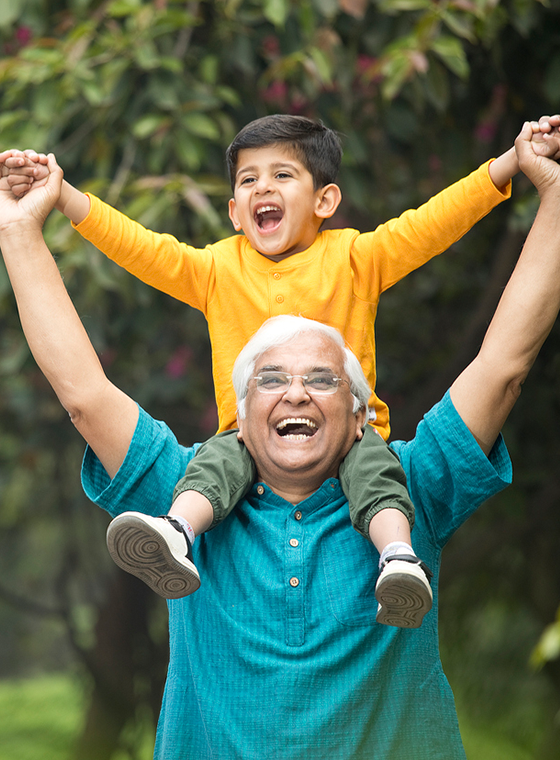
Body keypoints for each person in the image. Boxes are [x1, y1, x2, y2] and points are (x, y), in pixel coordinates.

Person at [1, 121, 560, 758]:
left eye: (322, 378)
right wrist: (19, 229)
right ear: (241, 408)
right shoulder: (184, 485)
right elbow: (83, 392)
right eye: (271, 378)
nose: (294, 392)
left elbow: (505, 365)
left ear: (358, 416)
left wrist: (548, 194)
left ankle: (397, 559)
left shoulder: (413, 485)